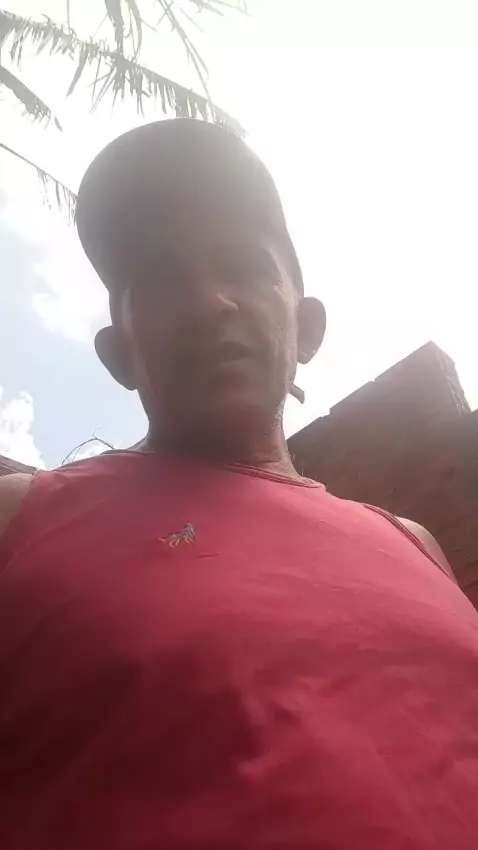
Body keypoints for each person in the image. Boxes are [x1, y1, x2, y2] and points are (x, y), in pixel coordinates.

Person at [0, 120, 477, 850]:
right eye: (160, 282)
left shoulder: (415, 544)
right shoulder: (21, 521)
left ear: (307, 328)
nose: (208, 302)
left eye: (244, 267)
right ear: (119, 354)